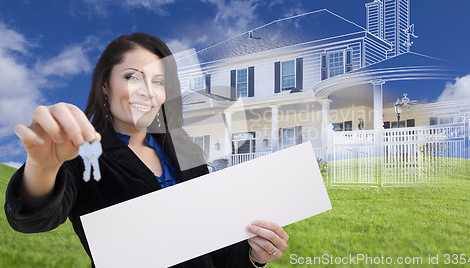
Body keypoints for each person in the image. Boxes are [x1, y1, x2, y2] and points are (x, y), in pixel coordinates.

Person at [4, 33, 289, 267]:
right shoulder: (80, 153)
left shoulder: (184, 150)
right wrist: (43, 165)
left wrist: (254, 257)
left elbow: (215, 249)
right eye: (132, 77)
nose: (148, 91)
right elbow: (33, 219)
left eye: (158, 81)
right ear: (105, 84)